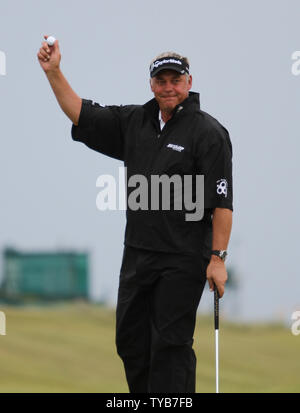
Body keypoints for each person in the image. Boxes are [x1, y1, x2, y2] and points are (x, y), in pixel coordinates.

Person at [37, 36, 233, 393]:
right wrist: (54, 72)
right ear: (152, 83)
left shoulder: (209, 133)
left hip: (183, 258)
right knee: (130, 342)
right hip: (138, 255)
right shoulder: (135, 121)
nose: (169, 87)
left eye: (176, 80)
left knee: (169, 346)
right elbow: (81, 112)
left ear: (189, 82)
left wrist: (218, 258)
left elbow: (222, 203)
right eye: (162, 80)